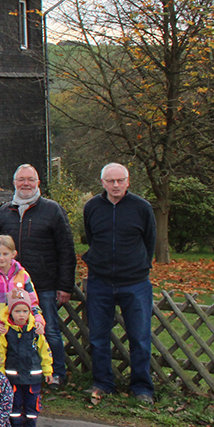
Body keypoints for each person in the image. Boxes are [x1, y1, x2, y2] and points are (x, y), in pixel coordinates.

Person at [0, 164, 76, 387]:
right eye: (21, 180)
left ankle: (56, 374)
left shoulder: (52, 210)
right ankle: (20, 375)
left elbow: (66, 249)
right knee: (14, 330)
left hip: (44, 283)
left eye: (31, 179)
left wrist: (65, 285)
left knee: (48, 329)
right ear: (14, 183)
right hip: (12, 287)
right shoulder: (4, 211)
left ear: (38, 182)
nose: (26, 184)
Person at [82, 163, 157, 403]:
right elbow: (91, 238)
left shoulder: (142, 208)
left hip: (135, 283)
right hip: (100, 281)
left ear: (128, 181)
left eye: (120, 180)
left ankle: (142, 387)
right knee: (98, 337)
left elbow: (149, 242)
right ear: (102, 182)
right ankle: (103, 383)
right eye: (111, 181)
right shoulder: (92, 207)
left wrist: (138, 266)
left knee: (139, 336)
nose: (116, 185)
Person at [0, 292, 53, 427]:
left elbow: (45, 351)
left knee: (32, 404)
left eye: (25, 311)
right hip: (12, 376)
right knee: (14, 403)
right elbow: (0, 353)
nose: (21, 315)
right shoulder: (6, 331)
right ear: (10, 312)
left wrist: (48, 370)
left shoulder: (36, 330)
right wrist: (1, 373)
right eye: (17, 311)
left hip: (32, 376)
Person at [0, 235, 45, 338]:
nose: (1, 258)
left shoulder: (23, 275)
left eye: (5, 254)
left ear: (13, 254)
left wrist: (38, 319)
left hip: (17, 332)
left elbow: (32, 303)